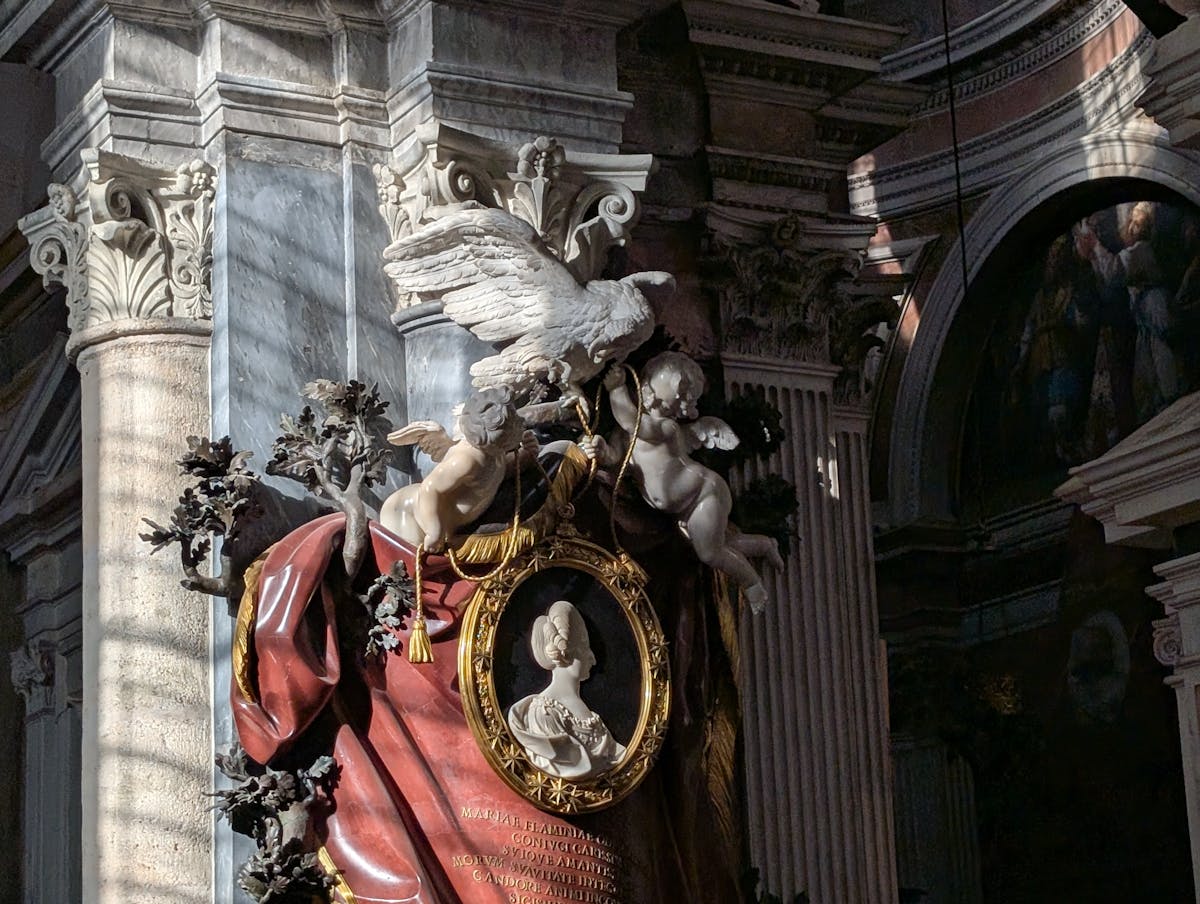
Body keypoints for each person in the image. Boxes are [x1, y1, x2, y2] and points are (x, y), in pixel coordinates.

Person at [595, 352, 784, 612]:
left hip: (704, 494)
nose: (662, 409)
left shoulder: (665, 429)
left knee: (709, 553)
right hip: (687, 507)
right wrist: (600, 450)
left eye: (669, 406)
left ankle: (752, 584)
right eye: (657, 400)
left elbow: (633, 421)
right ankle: (764, 544)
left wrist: (616, 389)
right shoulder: (623, 435)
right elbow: (615, 458)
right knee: (719, 546)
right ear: (645, 390)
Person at [507, 600, 625, 779]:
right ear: (564, 654)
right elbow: (576, 765)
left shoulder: (586, 712)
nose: (593, 658)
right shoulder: (544, 712)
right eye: (584, 648)